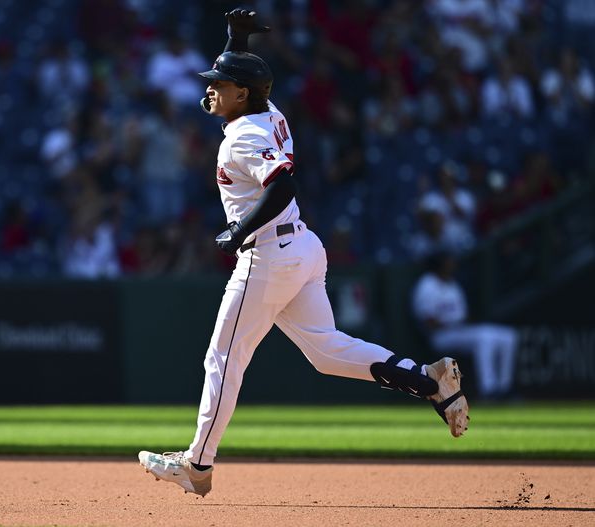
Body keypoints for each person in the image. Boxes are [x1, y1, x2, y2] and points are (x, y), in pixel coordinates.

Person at [138, 9, 469, 498]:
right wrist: (236, 39)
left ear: (243, 93)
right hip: (303, 249)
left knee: (223, 357)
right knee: (326, 350)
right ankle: (429, 380)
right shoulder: (267, 115)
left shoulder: (245, 136)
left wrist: (237, 232)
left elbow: (283, 185)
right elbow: (264, 128)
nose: (210, 89)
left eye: (220, 83)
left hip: (268, 255)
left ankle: (198, 465)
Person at [412, 251, 518, 400]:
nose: (452, 264)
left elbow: (463, 314)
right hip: (440, 336)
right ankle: (489, 389)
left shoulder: (452, 284)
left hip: (458, 331)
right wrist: (453, 323)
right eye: (449, 261)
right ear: (439, 264)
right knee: (485, 338)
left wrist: (464, 323)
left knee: (508, 336)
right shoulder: (427, 285)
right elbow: (427, 320)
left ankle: (505, 387)